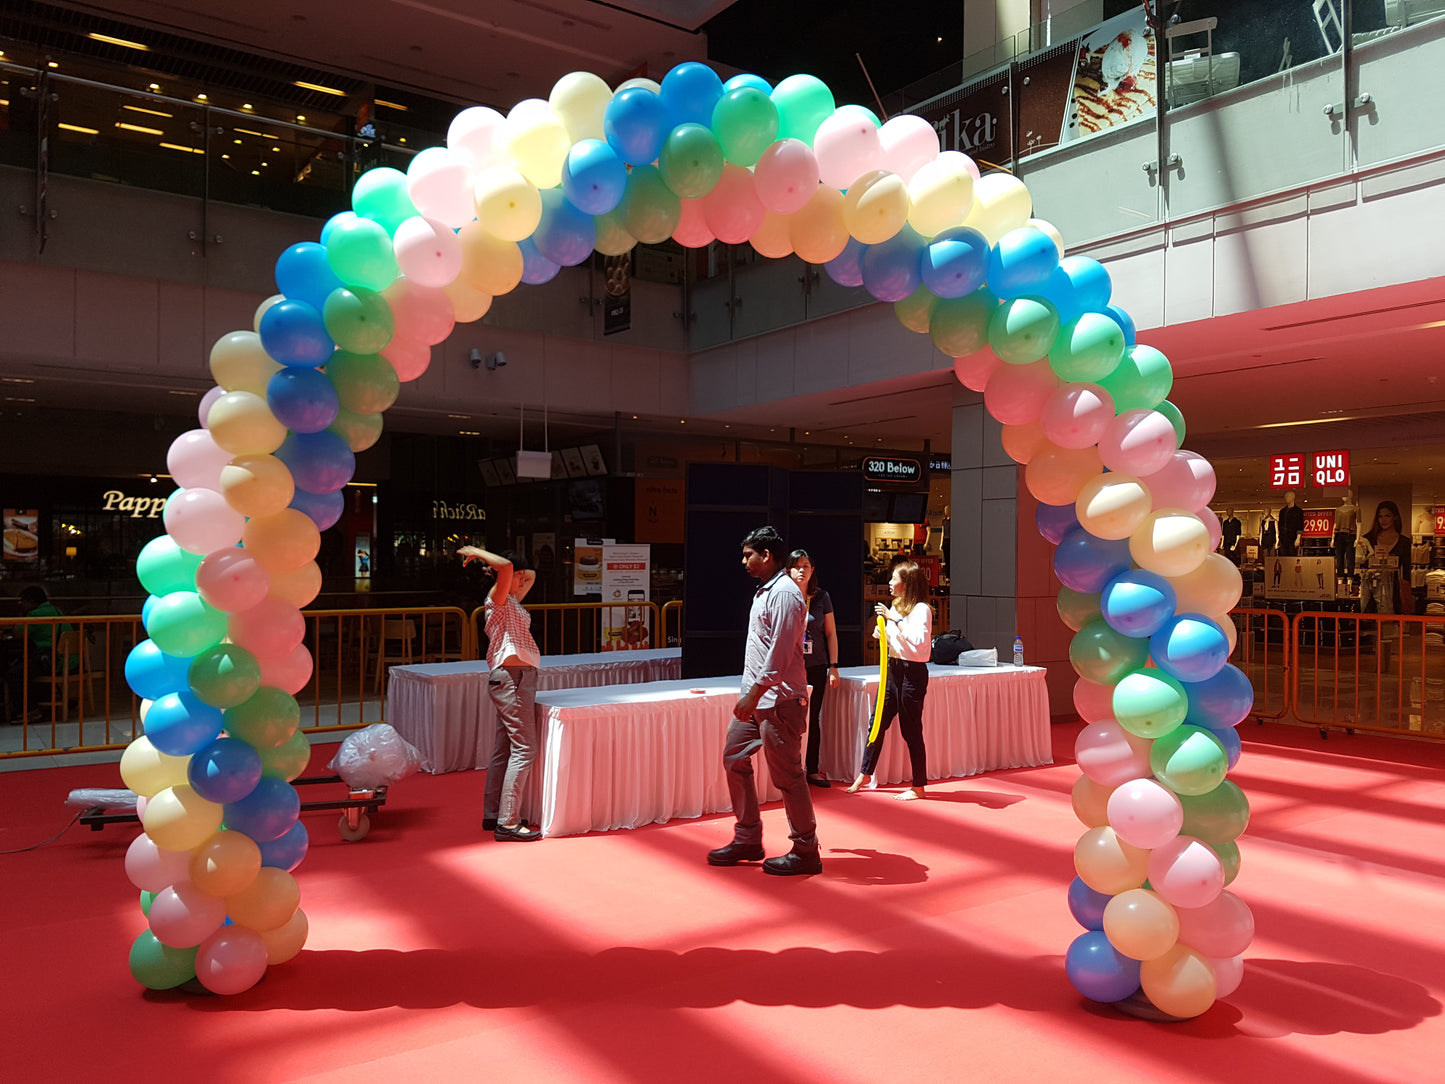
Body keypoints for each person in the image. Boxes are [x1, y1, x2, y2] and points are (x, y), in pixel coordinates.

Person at [708, 525, 821, 876]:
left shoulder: (785, 593)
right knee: (734, 757)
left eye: (748, 555)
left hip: (779, 700)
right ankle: (748, 839)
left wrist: (753, 693)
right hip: (759, 699)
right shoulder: (767, 592)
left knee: (788, 776)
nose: (744, 561)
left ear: (766, 555)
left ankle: (805, 851)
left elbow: (781, 653)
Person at [457, 545, 542, 841]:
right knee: (524, 749)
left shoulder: (512, 598)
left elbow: (528, 574)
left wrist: (504, 568)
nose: (520, 577)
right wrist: (479, 554)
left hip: (512, 677)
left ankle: (494, 813)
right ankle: (507, 820)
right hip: (513, 678)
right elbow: (507, 569)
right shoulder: (499, 598)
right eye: (515, 574)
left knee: (504, 749)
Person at [846, 559, 933, 801]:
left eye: (894, 579)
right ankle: (865, 772)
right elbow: (894, 639)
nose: (890, 583)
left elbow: (918, 642)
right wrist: (882, 631)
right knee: (877, 722)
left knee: (911, 729)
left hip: (912, 673)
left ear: (906, 584)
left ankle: (918, 786)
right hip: (893, 671)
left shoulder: (920, 610)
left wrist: (893, 621)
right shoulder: (896, 608)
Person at [786, 549, 840, 788]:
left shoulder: (821, 597)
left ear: (812, 570)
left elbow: (831, 633)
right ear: (788, 570)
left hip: (816, 665)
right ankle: (790, 770)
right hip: (789, 668)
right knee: (789, 718)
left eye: (806, 566)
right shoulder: (783, 596)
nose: (801, 570)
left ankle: (813, 769)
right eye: (796, 566)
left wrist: (834, 666)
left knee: (813, 716)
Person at [1362, 500, 1412, 615]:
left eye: (1387, 516)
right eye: (1380, 516)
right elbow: (1362, 564)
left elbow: (1407, 571)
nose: (1383, 520)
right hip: (1371, 588)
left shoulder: (1405, 542)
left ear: (1395, 517)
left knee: (1391, 623)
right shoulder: (1368, 539)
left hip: (1395, 591)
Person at [1334, 490, 1359, 578]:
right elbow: (1335, 524)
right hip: (1339, 535)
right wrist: (1333, 538)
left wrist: (1358, 538)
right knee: (1339, 559)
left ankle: (1350, 582)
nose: (1344, 496)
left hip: (1350, 535)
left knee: (1350, 559)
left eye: (1346, 494)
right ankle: (1340, 582)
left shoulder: (1355, 509)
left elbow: (1359, 523)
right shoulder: (1338, 509)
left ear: (1351, 495)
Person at [1278, 491, 1304, 556]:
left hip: (1293, 538)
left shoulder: (1298, 511)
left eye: (1288, 496)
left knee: (1292, 557)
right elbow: (1280, 525)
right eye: (1285, 497)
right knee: (1283, 557)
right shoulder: (1282, 511)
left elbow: (1300, 525)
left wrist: (1298, 538)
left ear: (1293, 497)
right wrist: (1279, 538)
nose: (1286, 498)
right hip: (1283, 539)